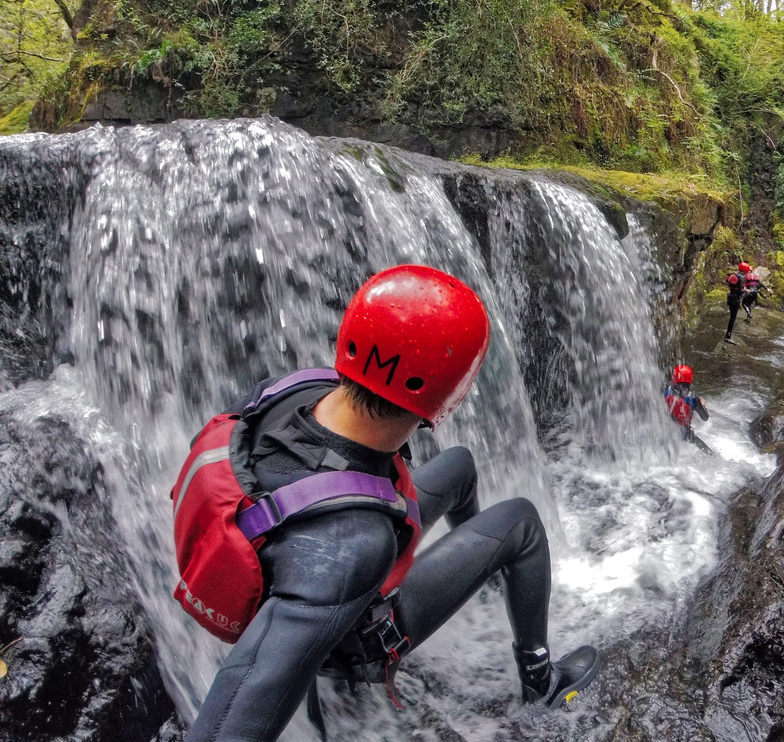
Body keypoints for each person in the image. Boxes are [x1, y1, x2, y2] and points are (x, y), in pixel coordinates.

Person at [171, 264, 600, 742]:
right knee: (521, 520)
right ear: (448, 395)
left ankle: (488, 577)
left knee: (459, 465)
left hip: (272, 535)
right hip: (349, 624)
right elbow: (231, 722)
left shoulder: (291, 391)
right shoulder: (353, 546)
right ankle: (542, 683)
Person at [663, 364, 713, 455]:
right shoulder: (693, 398)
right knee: (711, 454)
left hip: (664, 432)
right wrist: (702, 405)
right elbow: (705, 418)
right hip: (685, 435)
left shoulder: (665, 389)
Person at [724, 261, 751, 344]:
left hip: (730, 297)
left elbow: (727, 281)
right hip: (735, 299)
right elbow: (740, 290)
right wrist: (746, 290)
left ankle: (728, 335)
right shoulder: (742, 277)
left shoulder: (734, 275)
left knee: (732, 317)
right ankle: (728, 336)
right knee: (733, 318)